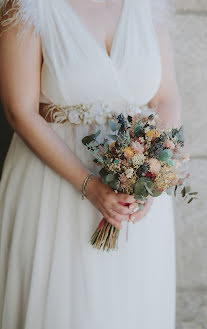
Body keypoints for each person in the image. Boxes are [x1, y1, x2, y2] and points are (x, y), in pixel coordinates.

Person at [0, 0, 181, 328]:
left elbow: (166, 97)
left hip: (137, 195)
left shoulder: (148, 6)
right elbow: (19, 110)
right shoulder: (30, 7)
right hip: (54, 187)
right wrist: (89, 184)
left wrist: (152, 172)